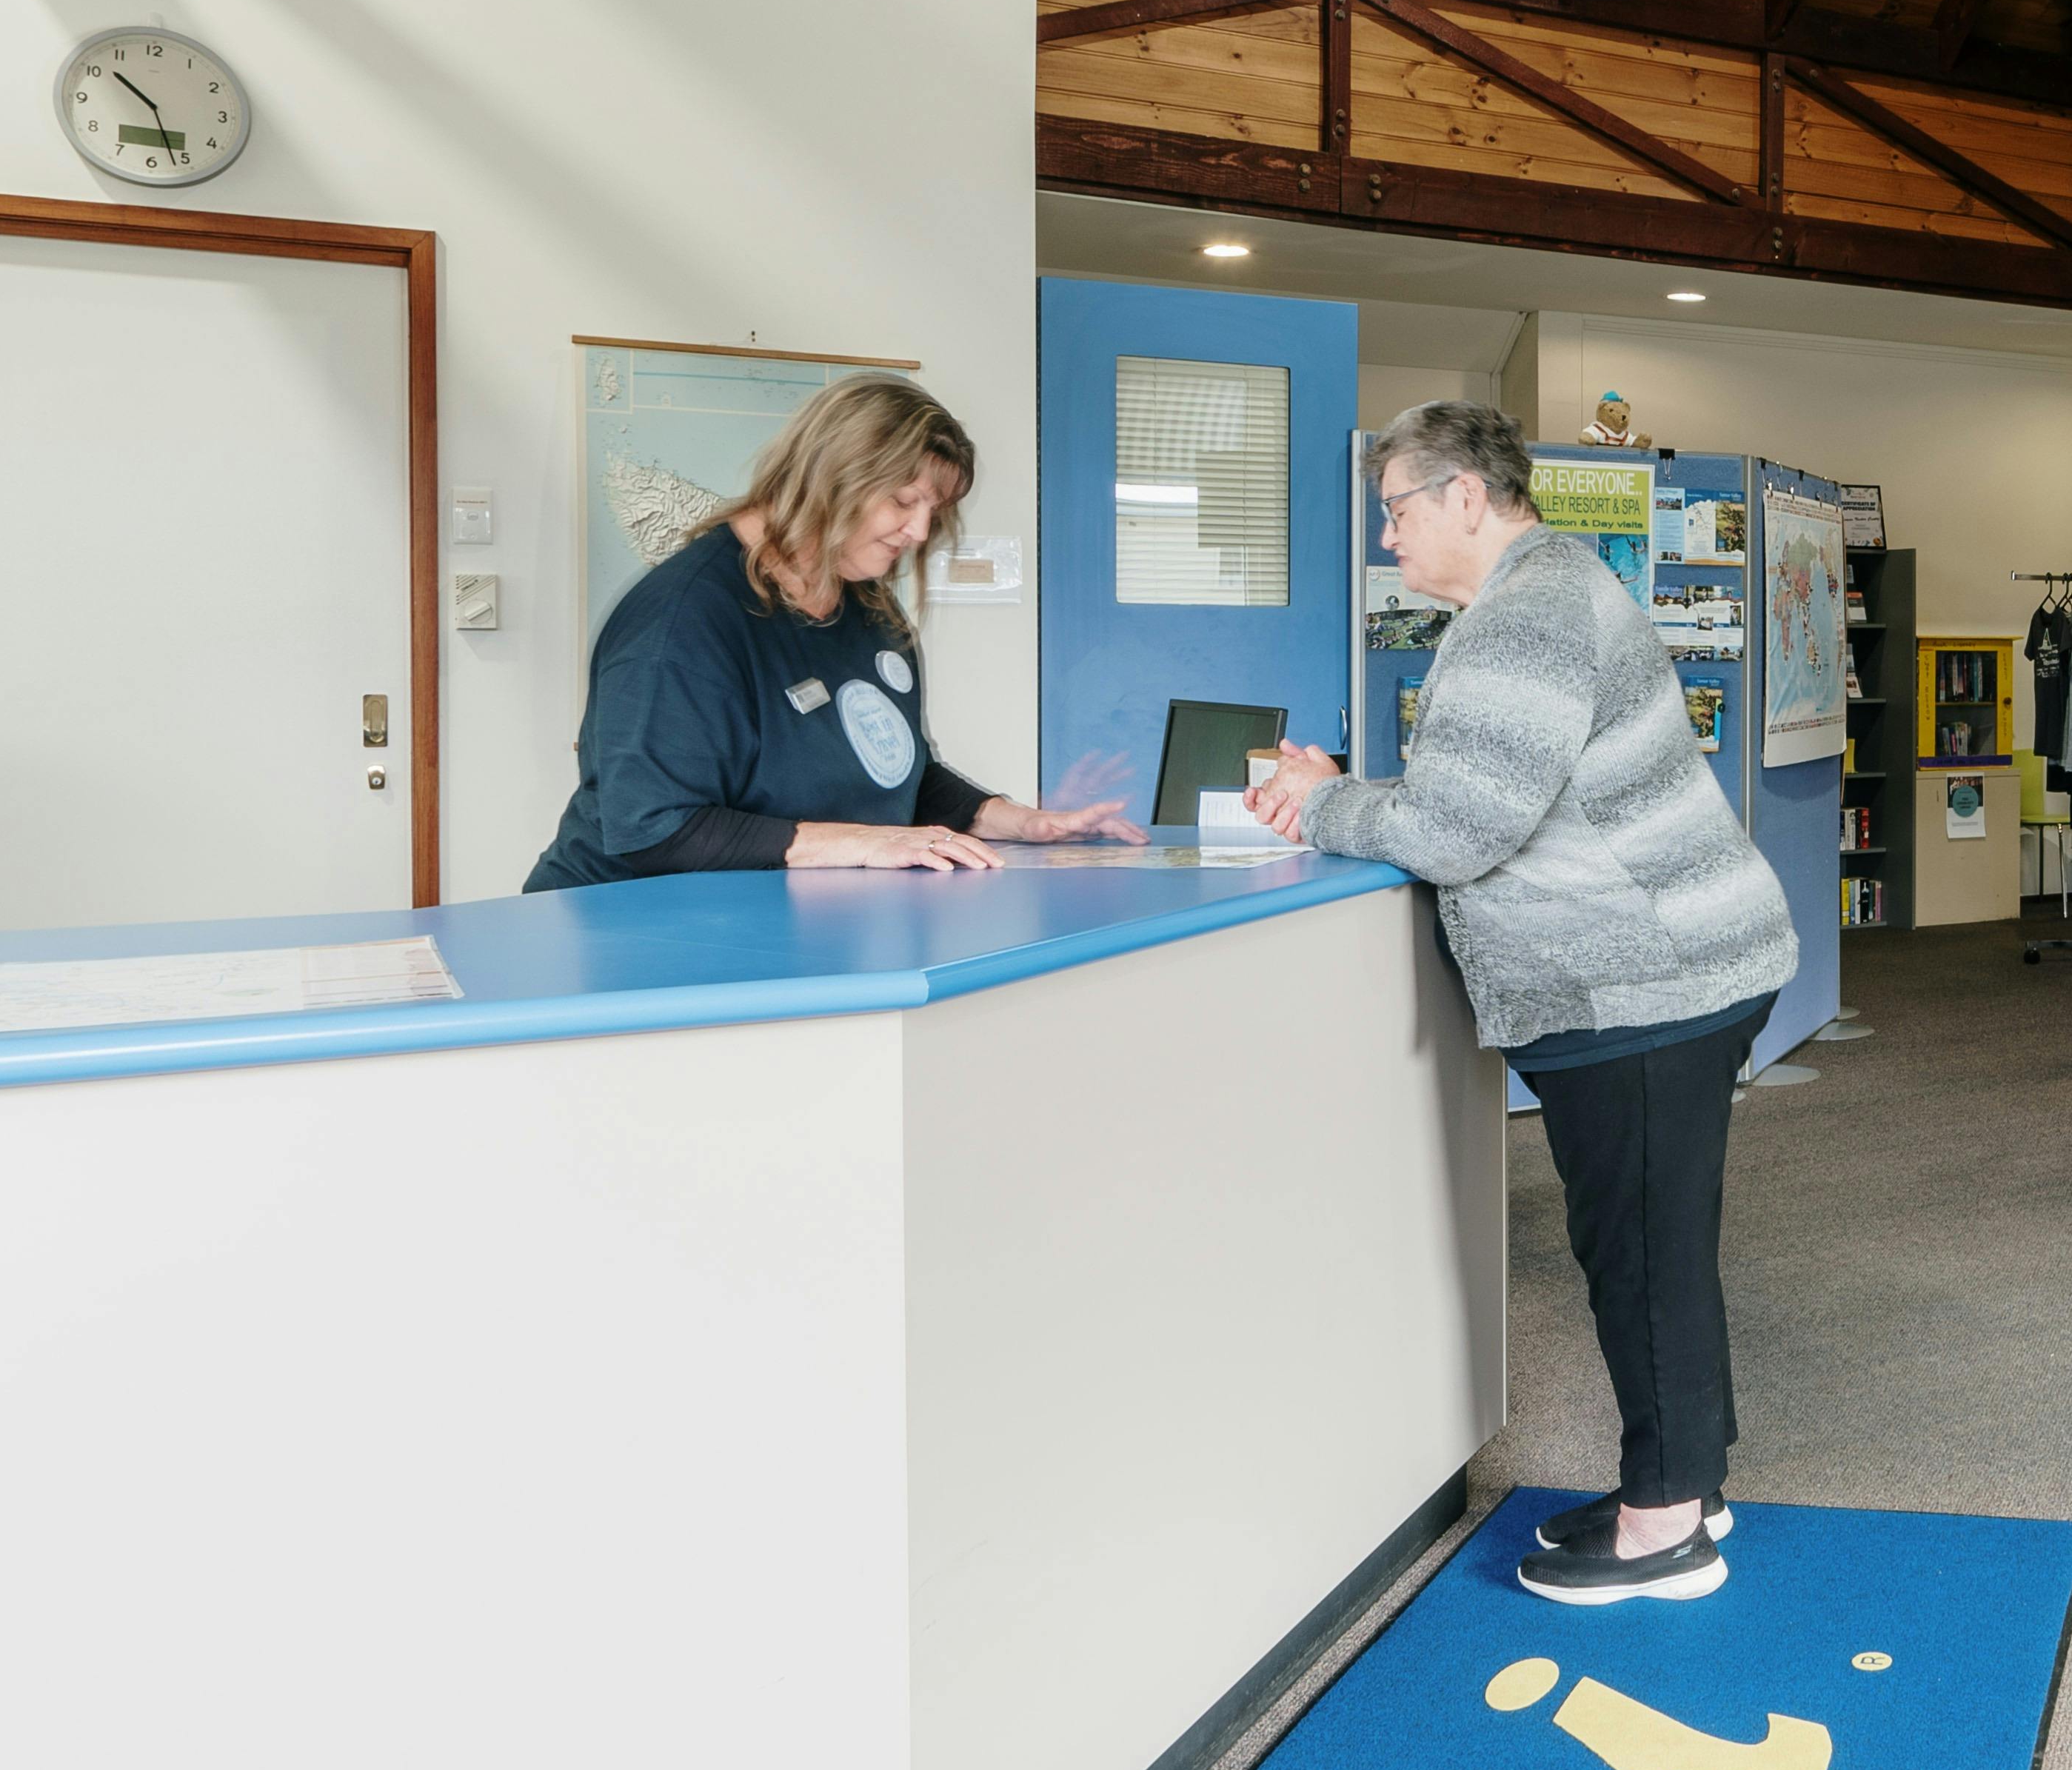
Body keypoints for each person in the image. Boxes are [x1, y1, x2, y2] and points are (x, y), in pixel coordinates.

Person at [1252, 401, 1798, 1608]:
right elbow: (1489, 787)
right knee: (1652, 1245)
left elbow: (1456, 829)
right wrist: (1360, 791)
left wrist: (1322, 805)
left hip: (1645, 981)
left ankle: (1667, 1534)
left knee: (1641, 1255)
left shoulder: (1527, 616)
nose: (1388, 537)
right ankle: (1685, 1485)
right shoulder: (1542, 590)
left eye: (1396, 510)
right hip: (1668, 967)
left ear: (1462, 495)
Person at [527, 373, 1138, 889]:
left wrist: (1021, 822)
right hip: (624, 929)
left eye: (935, 510)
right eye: (903, 500)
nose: (920, 532)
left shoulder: (866, 604)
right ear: (830, 477)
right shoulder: (680, 622)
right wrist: (868, 843)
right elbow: (656, 830)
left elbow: (896, 772)